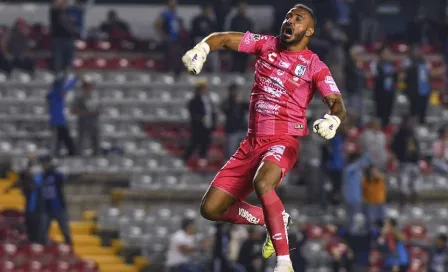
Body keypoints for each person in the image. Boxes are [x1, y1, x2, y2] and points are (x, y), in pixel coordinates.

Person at [182, 4, 346, 271]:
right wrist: (201, 49)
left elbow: (337, 102)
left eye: (298, 18)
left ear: (309, 30)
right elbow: (222, 38)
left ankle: (284, 262)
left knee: (263, 183)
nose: (289, 21)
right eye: (288, 16)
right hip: (250, 144)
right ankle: (272, 218)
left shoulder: (315, 66)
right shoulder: (266, 44)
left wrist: (333, 119)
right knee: (210, 209)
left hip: (283, 141)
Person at [37, 155, 72, 245]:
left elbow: (63, 178)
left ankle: (69, 249)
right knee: (43, 232)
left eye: (45, 163)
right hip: (46, 208)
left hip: (58, 207)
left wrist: (54, 167)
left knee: (65, 232)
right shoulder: (42, 176)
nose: (44, 165)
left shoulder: (56, 175)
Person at [4, 154, 39, 243]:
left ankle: (32, 237)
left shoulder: (29, 175)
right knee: (28, 215)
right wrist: (9, 188)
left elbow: (22, 182)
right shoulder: (25, 175)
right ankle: (30, 236)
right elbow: (19, 182)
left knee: (30, 215)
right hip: (29, 199)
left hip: (33, 199)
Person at [183, 80, 217, 168]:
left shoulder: (209, 99)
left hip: (207, 125)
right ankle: (186, 157)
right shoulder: (194, 100)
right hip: (198, 126)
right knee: (195, 142)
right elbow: (193, 113)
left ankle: (202, 158)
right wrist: (200, 118)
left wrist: (213, 122)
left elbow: (212, 112)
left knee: (206, 142)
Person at [391, 116, 420, 207]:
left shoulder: (413, 135)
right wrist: (399, 157)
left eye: (410, 123)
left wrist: (417, 158)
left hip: (413, 162)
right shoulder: (399, 135)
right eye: (408, 122)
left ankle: (414, 204)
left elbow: (417, 148)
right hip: (403, 162)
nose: (409, 124)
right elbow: (394, 147)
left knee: (415, 184)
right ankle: (402, 204)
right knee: (403, 184)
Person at [48, 75, 77, 157]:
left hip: (60, 122)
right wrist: (74, 79)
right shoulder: (55, 94)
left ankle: (63, 153)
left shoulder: (55, 94)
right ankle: (58, 154)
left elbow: (65, 87)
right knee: (60, 140)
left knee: (62, 140)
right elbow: (66, 87)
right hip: (57, 123)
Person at [71, 77, 101, 156]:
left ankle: (96, 157)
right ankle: (78, 157)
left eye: (89, 86)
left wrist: (96, 112)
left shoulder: (95, 98)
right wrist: (88, 113)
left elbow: (99, 110)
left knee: (95, 141)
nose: (88, 88)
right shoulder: (79, 98)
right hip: (83, 123)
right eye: (86, 86)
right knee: (81, 142)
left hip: (94, 123)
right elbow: (74, 111)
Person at [402, 45, 432, 124]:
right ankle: (412, 125)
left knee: (423, 109)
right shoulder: (408, 60)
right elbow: (403, 72)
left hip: (424, 89)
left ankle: (422, 124)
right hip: (412, 89)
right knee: (413, 109)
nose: (417, 52)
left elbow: (429, 73)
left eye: (419, 50)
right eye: (415, 50)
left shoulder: (424, 61)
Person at [155, 0, 186, 75]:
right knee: (170, 55)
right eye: (172, 4)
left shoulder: (175, 15)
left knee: (178, 55)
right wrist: (163, 36)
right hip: (169, 40)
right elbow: (157, 24)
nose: (174, 6)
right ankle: (169, 71)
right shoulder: (165, 14)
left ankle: (177, 71)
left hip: (176, 39)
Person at [371, 45, 397, 128]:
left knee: (388, 112)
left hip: (390, 92)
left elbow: (394, 78)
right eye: (385, 53)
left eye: (388, 53)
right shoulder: (376, 63)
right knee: (379, 112)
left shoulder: (392, 64)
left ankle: (386, 128)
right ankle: (378, 128)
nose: (387, 55)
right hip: (380, 92)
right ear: (380, 54)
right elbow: (375, 75)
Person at [50, 0, 78, 77]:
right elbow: (55, 5)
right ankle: (58, 77)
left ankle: (67, 76)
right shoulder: (55, 12)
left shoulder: (67, 14)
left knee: (68, 62)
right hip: (58, 40)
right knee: (58, 61)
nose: (64, 5)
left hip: (69, 40)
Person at [343, 152, 370, 228]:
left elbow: (366, 163)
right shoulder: (348, 169)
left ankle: (354, 231)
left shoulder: (359, 170)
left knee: (357, 218)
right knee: (350, 217)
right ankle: (351, 231)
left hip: (357, 198)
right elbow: (361, 163)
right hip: (350, 198)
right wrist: (366, 154)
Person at [221, 83, 248, 158]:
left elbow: (249, 107)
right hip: (232, 129)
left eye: (236, 90)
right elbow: (225, 109)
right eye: (233, 90)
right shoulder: (227, 102)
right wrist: (234, 103)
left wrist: (241, 101)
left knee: (245, 148)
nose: (235, 92)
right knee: (231, 150)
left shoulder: (241, 101)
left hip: (242, 128)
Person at [226, 0, 254, 73]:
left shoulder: (248, 21)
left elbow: (252, 35)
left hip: (245, 46)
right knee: (235, 64)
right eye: (240, 6)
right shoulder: (234, 20)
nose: (242, 8)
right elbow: (230, 34)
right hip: (235, 45)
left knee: (243, 66)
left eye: (243, 6)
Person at [191, 4, 219, 73]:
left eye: (209, 9)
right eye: (207, 9)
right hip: (199, 41)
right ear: (203, 10)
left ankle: (215, 75)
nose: (208, 11)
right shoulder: (197, 19)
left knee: (215, 58)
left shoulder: (211, 21)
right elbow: (193, 33)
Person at [362, 165, 386, 229]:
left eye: (375, 170)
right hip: (370, 203)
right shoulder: (365, 179)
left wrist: (375, 175)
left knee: (381, 221)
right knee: (371, 221)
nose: (373, 171)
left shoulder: (379, 178)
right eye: (372, 170)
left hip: (380, 202)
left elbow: (381, 178)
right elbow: (363, 187)